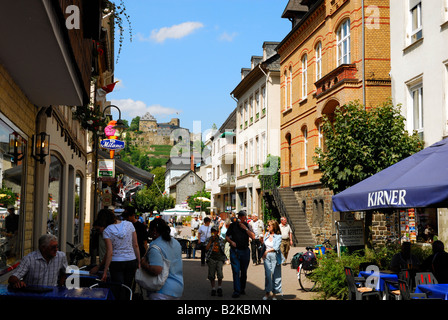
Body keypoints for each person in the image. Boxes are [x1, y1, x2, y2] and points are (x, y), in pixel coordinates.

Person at [90, 208, 140, 300]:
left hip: (116, 263)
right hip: (131, 260)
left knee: (118, 289)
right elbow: (135, 245)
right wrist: (139, 261)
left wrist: (105, 271)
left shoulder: (107, 231)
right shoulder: (129, 225)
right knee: (128, 288)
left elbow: (109, 252)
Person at [141, 218, 184, 300]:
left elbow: (157, 269)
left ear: (154, 230)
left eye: (149, 229)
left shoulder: (155, 247)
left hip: (161, 291)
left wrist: (144, 264)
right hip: (177, 288)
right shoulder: (175, 242)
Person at [225, 210, 255, 298]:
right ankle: (236, 290)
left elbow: (253, 236)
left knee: (244, 271)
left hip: (245, 251)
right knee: (236, 271)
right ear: (239, 217)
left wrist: (245, 229)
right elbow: (227, 236)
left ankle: (242, 288)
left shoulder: (247, 226)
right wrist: (231, 241)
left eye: (244, 217)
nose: (243, 219)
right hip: (235, 251)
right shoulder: (232, 225)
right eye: (241, 217)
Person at [261, 220, 284, 300]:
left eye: (269, 226)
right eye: (268, 225)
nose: (268, 227)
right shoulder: (266, 234)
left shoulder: (278, 236)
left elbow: (276, 247)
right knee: (267, 275)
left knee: (276, 275)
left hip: (275, 255)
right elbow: (264, 244)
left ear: (274, 227)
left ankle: (274, 294)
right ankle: (267, 293)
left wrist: (267, 251)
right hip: (266, 257)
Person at [205, 226, 227, 296]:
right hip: (211, 258)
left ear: (217, 232)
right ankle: (213, 288)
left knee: (220, 274)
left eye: (215, 231)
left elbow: (223, 249)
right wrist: (211, 241)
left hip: (219, 258)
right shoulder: (209, 239)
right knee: (211, 275)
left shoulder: (220, 240)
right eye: (212, 231)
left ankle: (219, 287)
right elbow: (206, 249)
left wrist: (225, 259)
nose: (213, 233)